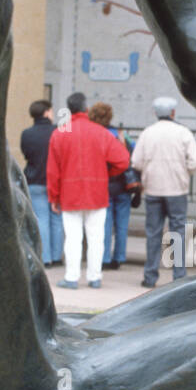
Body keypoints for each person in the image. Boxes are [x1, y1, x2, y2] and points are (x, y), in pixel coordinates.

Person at [47, 91, 129, 290]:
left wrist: (54, 196)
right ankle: (95, 277)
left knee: (73, 238)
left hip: (70, 193)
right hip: (97, 191)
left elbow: (53, 170)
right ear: (86, 109)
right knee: (96, 237)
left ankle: (71, 277)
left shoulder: (60, 133)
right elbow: (123, 160)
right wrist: (107, 174)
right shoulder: (100, 132)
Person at [132, 97, 196, 289]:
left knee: (153, 233)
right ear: (173, 113)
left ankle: (150, 276)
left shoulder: (147, 133)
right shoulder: (183, 133)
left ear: (156, 113)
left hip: (153, 189)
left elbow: (136, 162)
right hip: (177, 190)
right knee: (177, 232)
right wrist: (183, 172)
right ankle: (178, 277)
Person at [88, 101, 137, 270]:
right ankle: (119, 257)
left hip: (104, 183)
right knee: (122, 224)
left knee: (105, 223)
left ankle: (104, 258)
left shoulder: (94, 134)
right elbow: (133, 153)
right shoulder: (122, 134)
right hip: (123, 184)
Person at [20, 99, 63, 267]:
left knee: (41, 220)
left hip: (34, 181)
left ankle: (45, 258)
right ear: (46, 112)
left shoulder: (26, 134)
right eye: (51, 111)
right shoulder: (58, 131)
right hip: (55, 181)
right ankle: (57, 256)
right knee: (56, 220)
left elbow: (26, 154)